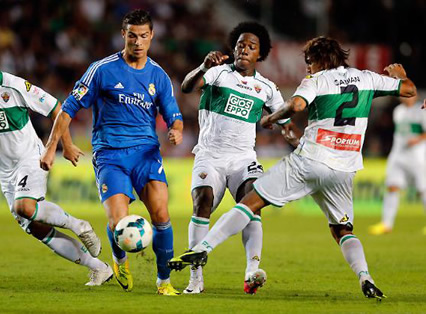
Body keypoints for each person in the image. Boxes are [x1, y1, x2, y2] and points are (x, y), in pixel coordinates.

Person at [168, 36, 417, 299]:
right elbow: (409, 90)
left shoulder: (318, 81)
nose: (307, 68)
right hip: (343, 170)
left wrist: (271, 118)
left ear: (321, 60)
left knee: (251, 202)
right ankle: (365, 277)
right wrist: (401, 75)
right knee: (343, 229)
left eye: (309, 62)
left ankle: (204, 248)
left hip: (309, 161)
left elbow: (296, 105)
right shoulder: (367, 78)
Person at [0, 39, 113, 286]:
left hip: (31, 158)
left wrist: (66, 145)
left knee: (25, 207)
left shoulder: (16, 86)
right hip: (4, 170)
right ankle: (99, 268)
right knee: (35, 228)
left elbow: (56, 108)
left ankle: (79, 225)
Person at [40, 9, 183, 296]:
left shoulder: (159, 75)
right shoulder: (102, 69)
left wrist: (176, 129)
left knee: (162, 215)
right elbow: (67, 108)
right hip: (110, 155)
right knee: (119, 222)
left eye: (143, 36)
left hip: (146, 154)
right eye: (132, 35)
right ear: (123, 35)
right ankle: (119, 260)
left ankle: (164, 281)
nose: (138, 42)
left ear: (152, 36)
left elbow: (173, 113)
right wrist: (52, 146)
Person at [179, 22, 299, 295]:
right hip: (210, 155)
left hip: (243, 158)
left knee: (252, 203)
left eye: (251, 46)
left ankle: (251, 271)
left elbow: (286, 120)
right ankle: (195, 278)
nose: (244, 49)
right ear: (233, 48)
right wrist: (203, 67)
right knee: (203, 202)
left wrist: (294, 138)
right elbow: (187, 87)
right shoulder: (218, 73)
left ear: (260, 54)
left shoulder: (267, 88)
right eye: (240, 44)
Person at [369, 95, 426, 235]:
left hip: (416, 156)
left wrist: (417, 139)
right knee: (392, 187)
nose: (406, 98)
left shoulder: (421, 111)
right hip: (398, 155)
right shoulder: (398, 111)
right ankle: (386, 224)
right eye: (403, 96)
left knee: (422, 190)